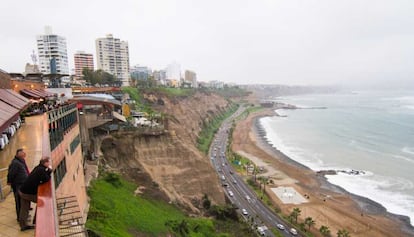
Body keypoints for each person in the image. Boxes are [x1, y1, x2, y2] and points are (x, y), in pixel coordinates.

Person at [18, 157, 52, 231]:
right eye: (48, 162)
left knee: (24, 208)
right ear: (45, 163)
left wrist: (47, 171)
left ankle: (23, 225)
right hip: (27, 193)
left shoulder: (38, 167)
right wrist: (49, 171)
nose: (49, 163)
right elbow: (46, 178)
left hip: (22, 190)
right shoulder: (41, 170)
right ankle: (36, 221)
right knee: (41, 202)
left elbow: (43, 177)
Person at [7, 148, 30, 221]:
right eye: (23, 153)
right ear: (19, 154)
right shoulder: (15, 163)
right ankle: (20, 218)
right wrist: (9, 182)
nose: (24, 154)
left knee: (22, 201)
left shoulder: (21, 161)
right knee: (19, 201)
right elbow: (11, 174)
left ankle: (23, 216)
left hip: (22, 184)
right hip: (18, 185)